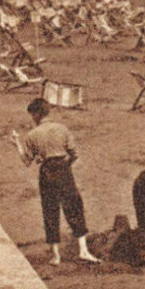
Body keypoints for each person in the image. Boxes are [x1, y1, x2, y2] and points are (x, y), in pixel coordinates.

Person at [15, 99, 98, 265]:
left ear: (37, 114)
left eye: (32, 115)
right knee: (74, 206)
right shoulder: (62, 129)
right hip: (63, 170)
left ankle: (56, 256)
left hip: (46, 172)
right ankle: (83, 250)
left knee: (50, 210)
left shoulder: (32, 135)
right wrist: (65, 166)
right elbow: (74, 154)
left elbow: (26, 161)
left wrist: (16, 142)